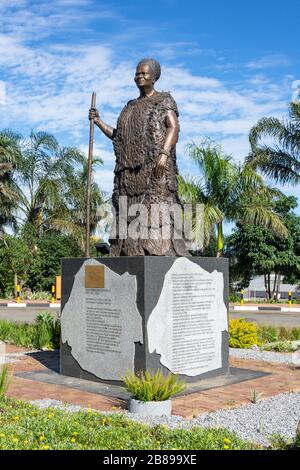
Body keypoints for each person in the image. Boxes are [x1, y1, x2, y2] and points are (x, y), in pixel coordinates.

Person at [89, 58, 188, 256]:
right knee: (126, 212)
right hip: (128, 173)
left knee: (155, 209)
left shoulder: (163, 100)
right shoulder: (130, 107)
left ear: (154, 76)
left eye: (144, 73)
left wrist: (164, 153)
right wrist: (98, 121)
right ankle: (128, 251)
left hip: (155, 169)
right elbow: (118, 136)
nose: (139, 76)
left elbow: (173, 127)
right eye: (137, 73)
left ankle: (156, 250)